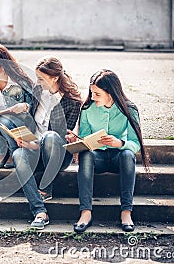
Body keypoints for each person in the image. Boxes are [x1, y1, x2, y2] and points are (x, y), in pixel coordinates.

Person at [73, 69, 150, 233]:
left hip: (118, 158)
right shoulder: (87, 108)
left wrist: (120, 143)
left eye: (97, 94)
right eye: (92, 93)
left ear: (111, 93)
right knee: (86, 155)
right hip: (97, 158)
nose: (93, 97)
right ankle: (85, 212)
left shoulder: (129, 109)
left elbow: (136, 143)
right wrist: (78, 141)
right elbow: (85, 136)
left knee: (128, 155)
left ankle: (126, 212)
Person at [12, 56, 82, 229]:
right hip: (34, 148)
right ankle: (39, 211)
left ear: (55, 78)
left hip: (56, 153)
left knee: (50, 137)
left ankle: (46, 187)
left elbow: (62, 136)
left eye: (41, 78)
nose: (38, 82)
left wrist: (38, 143)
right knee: (17, 155)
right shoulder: (37, 91)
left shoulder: (72, 102)